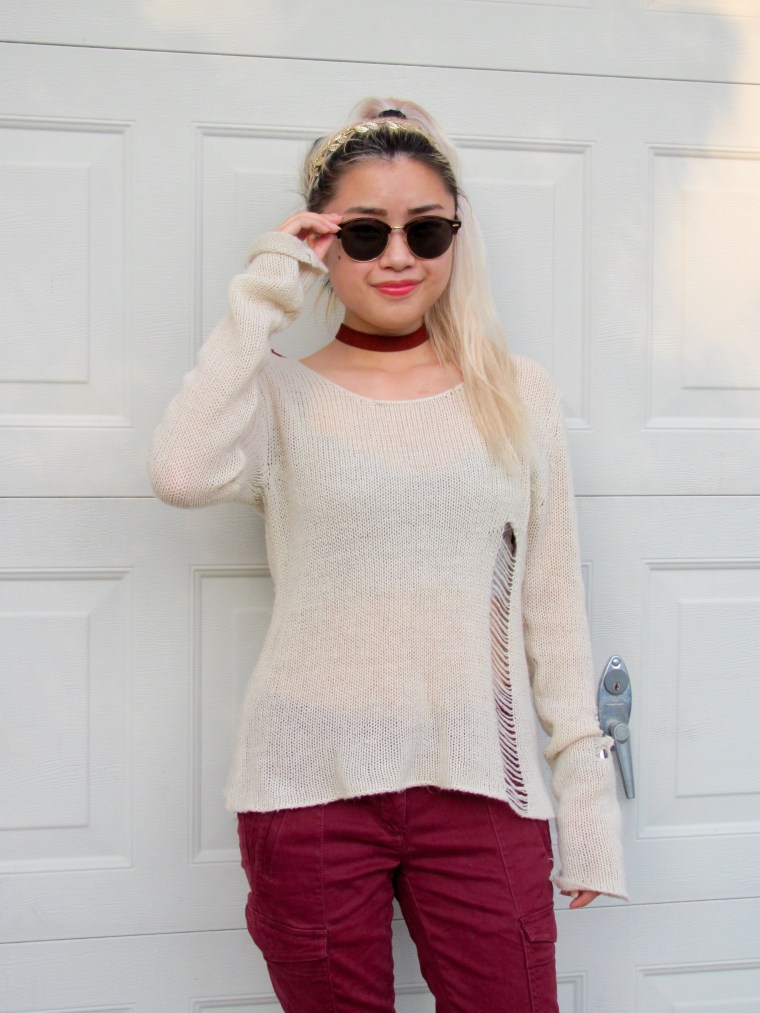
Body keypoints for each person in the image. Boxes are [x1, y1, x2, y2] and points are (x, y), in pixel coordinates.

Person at [148, 97, 626, 1013]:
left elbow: (554, 606)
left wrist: (587, 802)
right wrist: (266, 285)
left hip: (483, 792)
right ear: (323, 245)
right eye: (364, 233)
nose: (398, 256)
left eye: (426, 229)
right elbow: (180, 470)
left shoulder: (517, 393)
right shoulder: (280, 397)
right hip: (306, 790)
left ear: (457, 237)